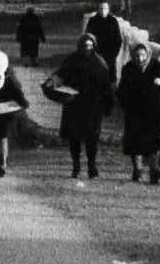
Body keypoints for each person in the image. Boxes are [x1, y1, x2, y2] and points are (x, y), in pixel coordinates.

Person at [46, 33, 115, 179]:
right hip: (74, 103)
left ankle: (92, 166)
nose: (87, 48)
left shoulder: (99, 63)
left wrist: (108, 105)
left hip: (93, 106)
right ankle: (76, 166)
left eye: (90, 45)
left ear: (94, 46)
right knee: (74, 138)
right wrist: (52, 81)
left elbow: (106, 86)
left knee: (92, 139)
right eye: (84, 45)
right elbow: (60, 74)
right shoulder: (72, 60)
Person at [117, 42, 160, 183]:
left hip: (152, 110)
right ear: (133, 56)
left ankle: (154, 170)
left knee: (154, 140)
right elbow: (122, 90)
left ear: (148, 54)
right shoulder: (129, 68)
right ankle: (137, 170)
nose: (140, 58)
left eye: (142, 55)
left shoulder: (155, 66)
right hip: (135, 110)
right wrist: (126, 103)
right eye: (137, 55)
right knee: (135, 140)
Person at [86, 1, 124, 85]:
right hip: (96, 53)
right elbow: (88, 37)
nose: (103, 11)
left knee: (110, 79)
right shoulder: (92, 21)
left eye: (105, 8)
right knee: (96, 77)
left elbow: (118, 40)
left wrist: (114, 54)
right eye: (101, 9)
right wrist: (92, 53)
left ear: (108, 10)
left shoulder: (113, 21)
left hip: (110, 54)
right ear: (98, 10)